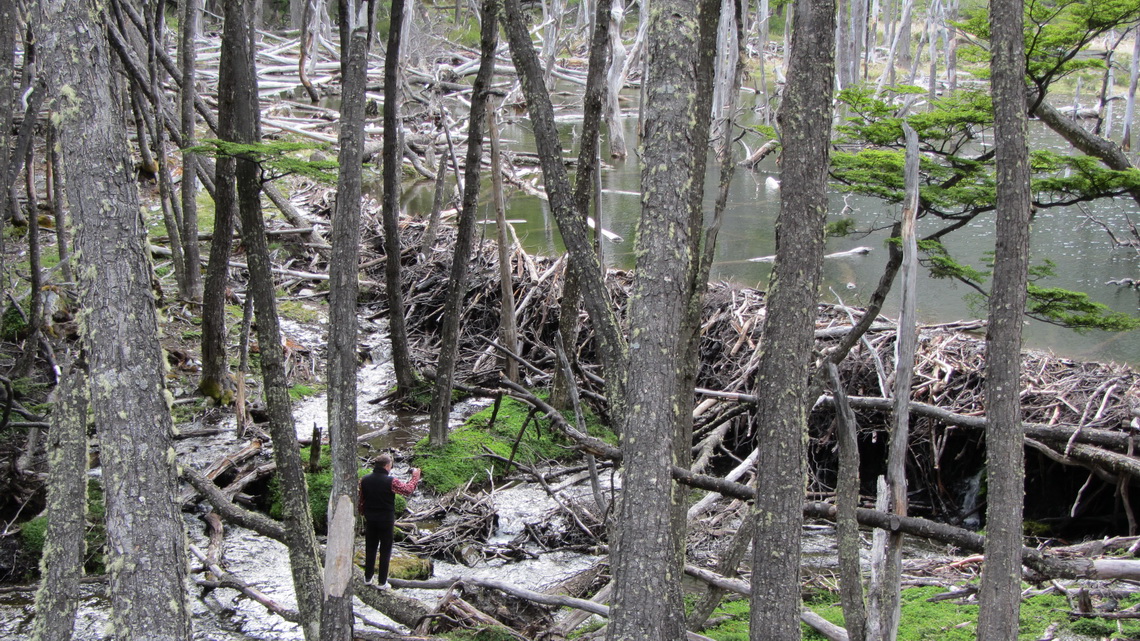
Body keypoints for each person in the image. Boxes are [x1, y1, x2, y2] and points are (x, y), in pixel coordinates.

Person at [358, 453, 421, 589]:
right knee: (385, 550)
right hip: (386, 520)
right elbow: (408, 490)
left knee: (370, 547)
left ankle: (368, 578)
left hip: (370, 518)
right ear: (387, 466)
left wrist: (363, 513)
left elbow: (361, 500)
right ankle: (382, 582)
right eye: (390, 465)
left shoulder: (364, 480)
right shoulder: (391, 481)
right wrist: (415, 476)